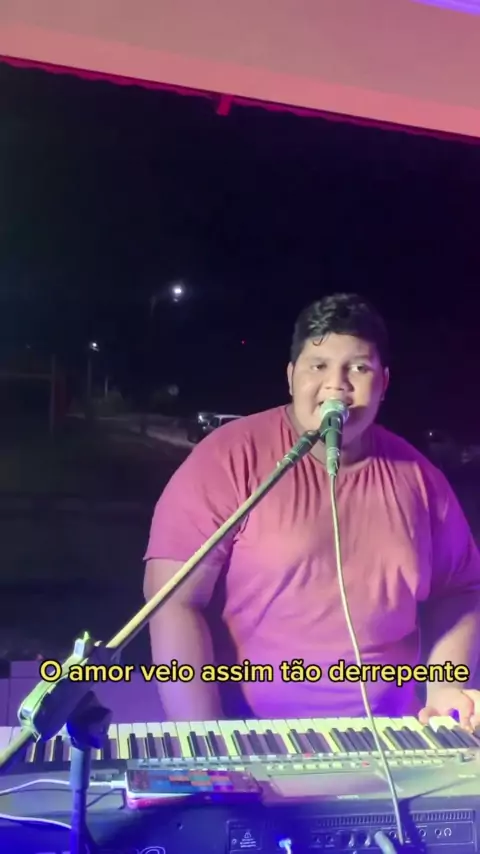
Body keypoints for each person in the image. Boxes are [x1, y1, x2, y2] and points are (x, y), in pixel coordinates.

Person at [143, 293, 480, 729]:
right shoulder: (226, 458)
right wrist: (205, 738)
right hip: (252, 733)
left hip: (389, 733)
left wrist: (446, 688)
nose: (336, 385)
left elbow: (462, 590)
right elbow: (173, 602)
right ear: (291, 376)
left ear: (383, 383)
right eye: (318, 366)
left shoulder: (422, 479)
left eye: (358, 368)